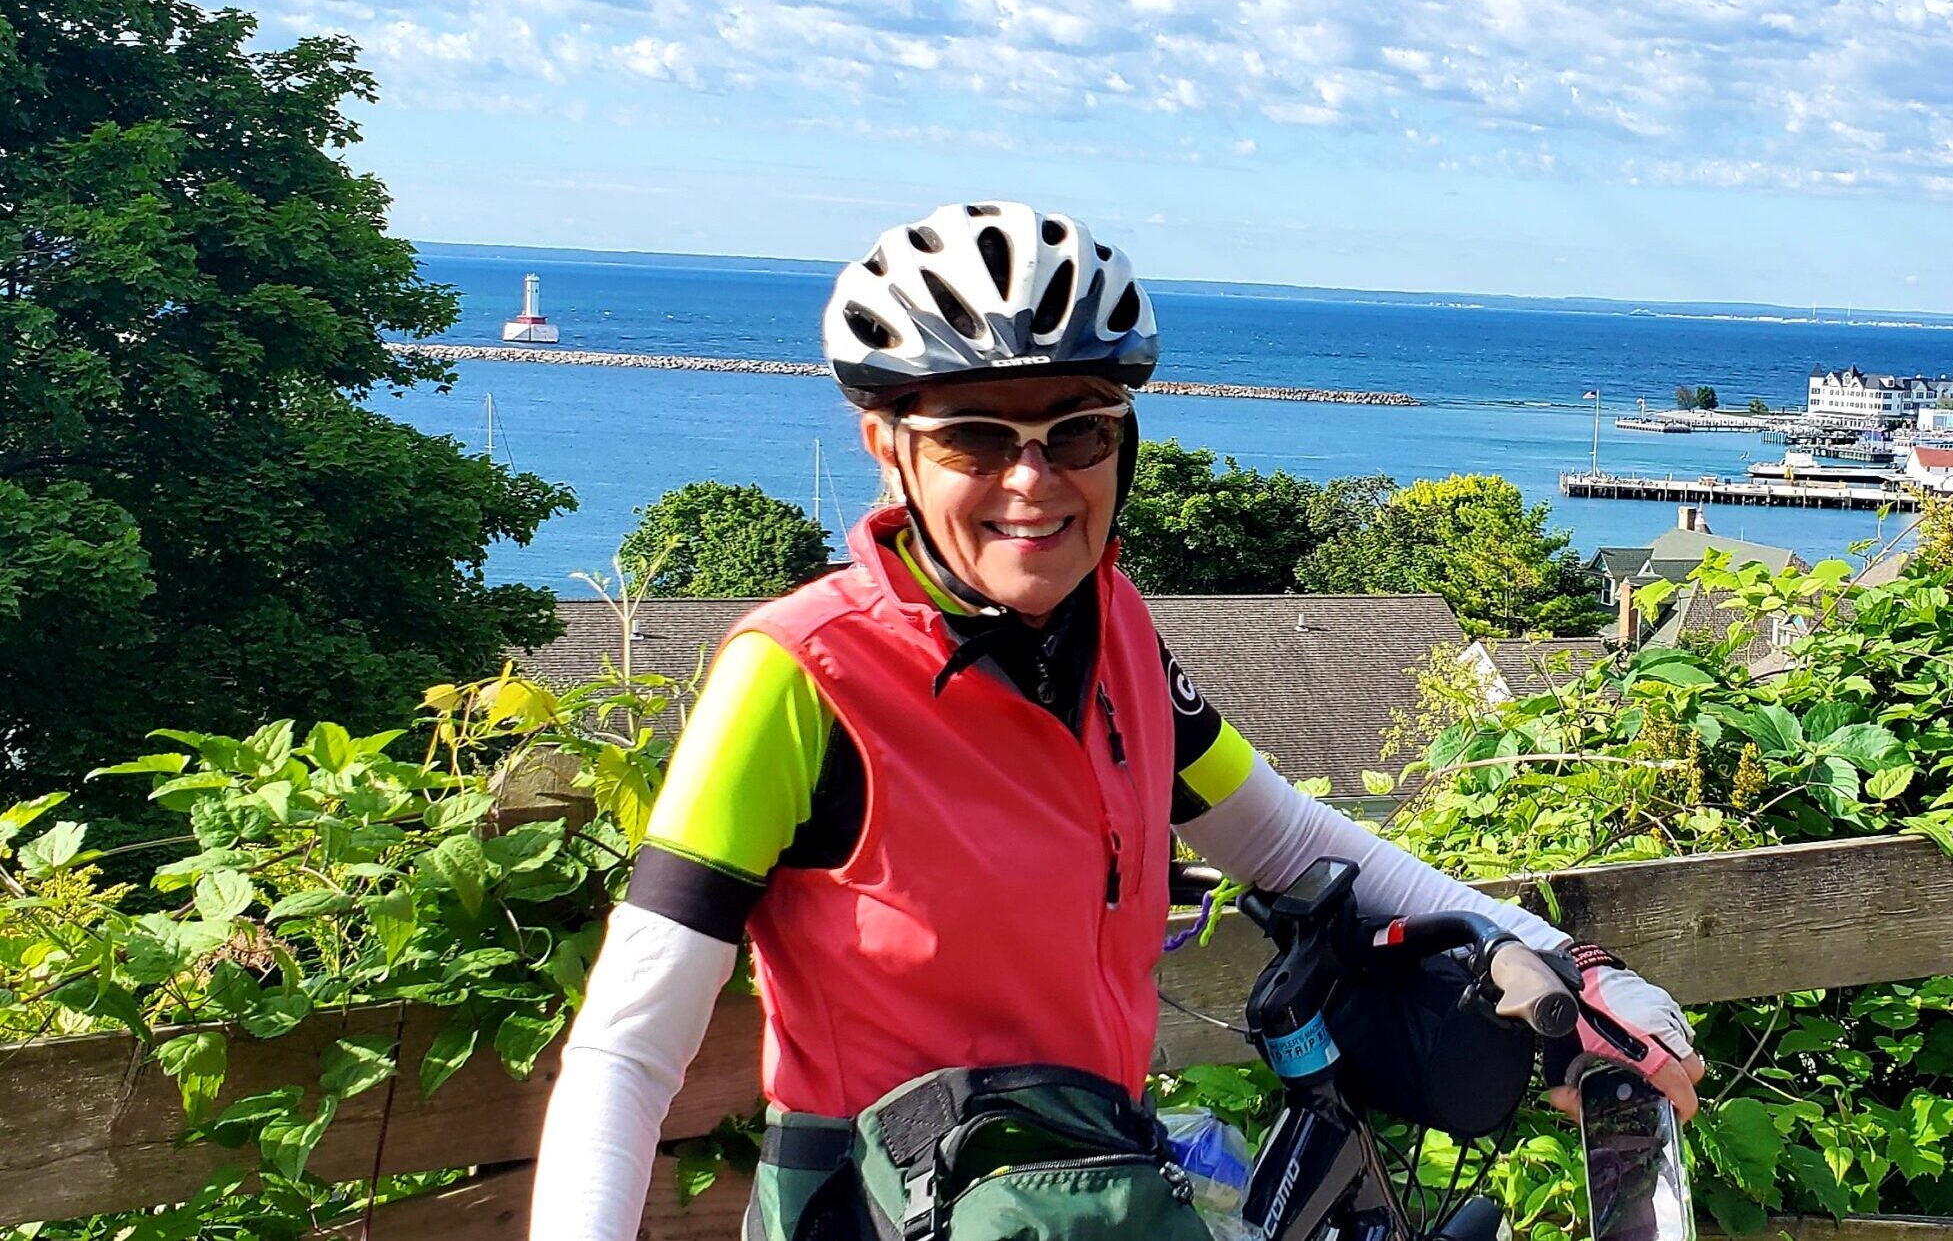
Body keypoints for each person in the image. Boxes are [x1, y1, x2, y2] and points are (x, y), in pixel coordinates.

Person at [526, 201, 1705, 1240]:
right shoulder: (796, 673)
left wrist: (1564, 959)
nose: (1033, 482)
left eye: (1075, 431)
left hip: (1089, 1190)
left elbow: (1288, 842)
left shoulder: (1116, 633)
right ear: (886, 446)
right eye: (977, 438)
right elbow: (629, 1050)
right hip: (881, 1212)